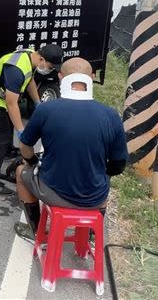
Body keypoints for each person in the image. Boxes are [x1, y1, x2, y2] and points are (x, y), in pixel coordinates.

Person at [13, 57, 129, 239]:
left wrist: (33, 161)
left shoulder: (46, 110)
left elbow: (25, 146)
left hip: (54, 192)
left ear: (60, 77)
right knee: (104, 180)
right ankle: (91, 233)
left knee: (21, 171)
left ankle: (37, 232)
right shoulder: (111, 116)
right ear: (91, 77)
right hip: (94, 199)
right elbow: (118, 166)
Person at [0, 44, 64, 195]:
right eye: (50, 66)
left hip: (1, 99)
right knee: (1, 139)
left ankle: (8, 151)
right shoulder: (16, 70)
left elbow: (29, 81)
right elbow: (11, 105)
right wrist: (21, 131)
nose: (51, 70)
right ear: (42, 58)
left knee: (8, 125)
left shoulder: (31, 57)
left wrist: (38, 103)